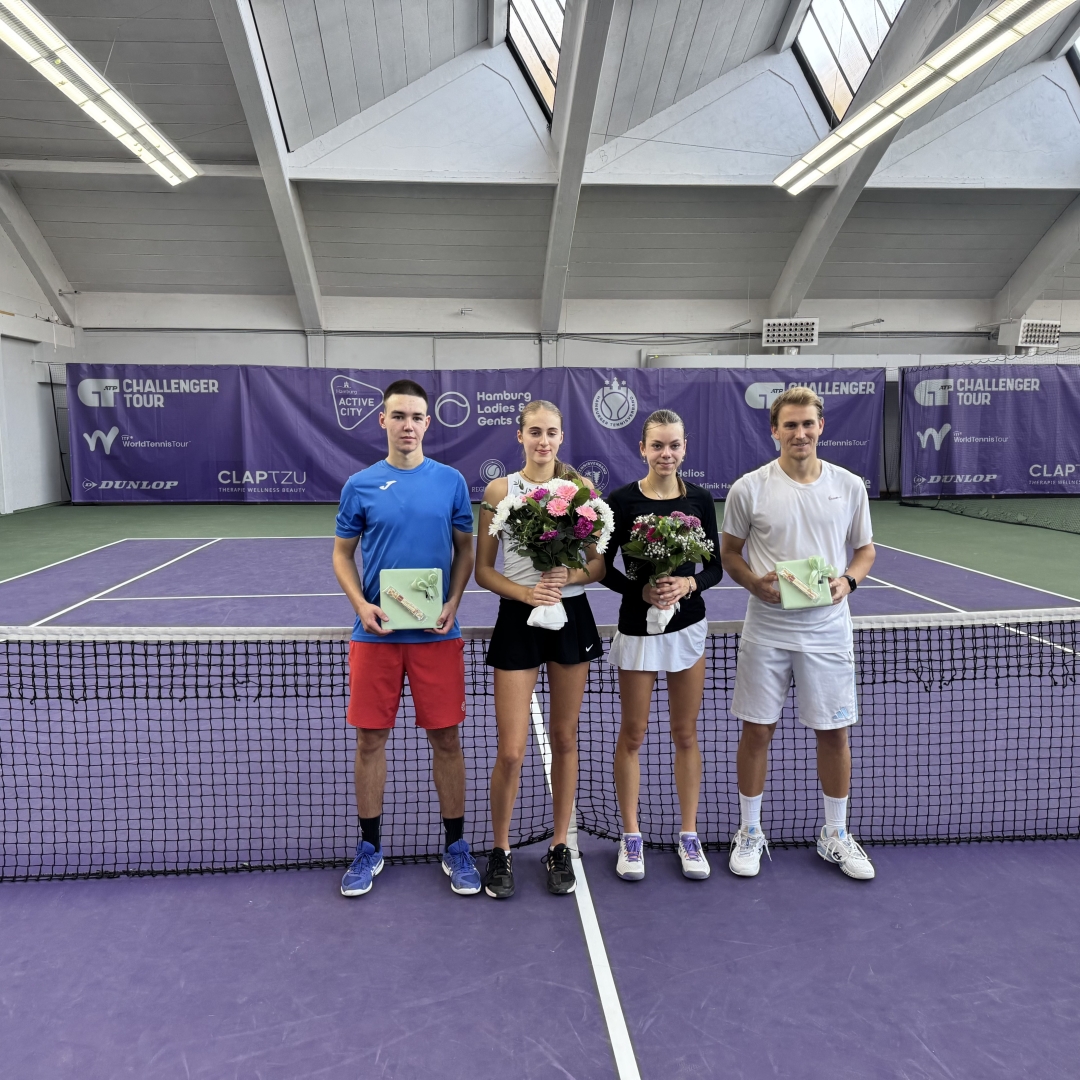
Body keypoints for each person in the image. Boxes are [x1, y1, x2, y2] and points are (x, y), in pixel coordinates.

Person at [720, 386, 877, 880]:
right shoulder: (749, 488)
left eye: (808, 423)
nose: (800, 433)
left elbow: (865, 550)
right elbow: (730, 553)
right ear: (775, 430)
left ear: (821, 427)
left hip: (828, 632)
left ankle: (835, 833)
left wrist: (848, 582)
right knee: (757, 730)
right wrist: (754, 583)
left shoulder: (849, 485)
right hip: (767, 630)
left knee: (834, 732)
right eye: (790, 425)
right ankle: (749, 831)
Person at [332, 379, 479, 898]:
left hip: (436, 635)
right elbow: (341, 554)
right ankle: (369, 847)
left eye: (416, 417)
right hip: (376, 636)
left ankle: (456, 846)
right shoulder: (360, 485)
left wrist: (454, 600)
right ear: (383, 421)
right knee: (370, 741)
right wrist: (361, 605)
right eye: (398, 416)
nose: (408, 425)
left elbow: (466, 549)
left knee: (447, 740)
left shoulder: (451, 482)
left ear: (427, 424)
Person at [475, 400, 605, 898]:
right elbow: (484, 570)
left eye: (551, 432)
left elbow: (597, 565)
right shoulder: (500, 491)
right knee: (511, 750)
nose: (543, 440)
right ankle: (501, 849)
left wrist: (567, 575)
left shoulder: (581, 490)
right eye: (535, 431)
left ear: (562, 436)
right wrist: (527, 593)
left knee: (565, 739)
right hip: (518, 618)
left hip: (570, 618)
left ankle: (559, 845)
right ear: (520, 435)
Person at [602, 409, 722, 882]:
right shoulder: (621, 501)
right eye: (657, 445)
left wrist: (689, 585)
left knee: (685, 734)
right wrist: (641, 591)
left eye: (674, 445)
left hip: (688, 628)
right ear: (643, 449)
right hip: (637, 630)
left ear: (684, 447)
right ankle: (631, 836)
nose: (665, 454)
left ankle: (688, 834)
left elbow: (714, 567)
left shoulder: (699, 499)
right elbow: (601, 568)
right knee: (632, 734)